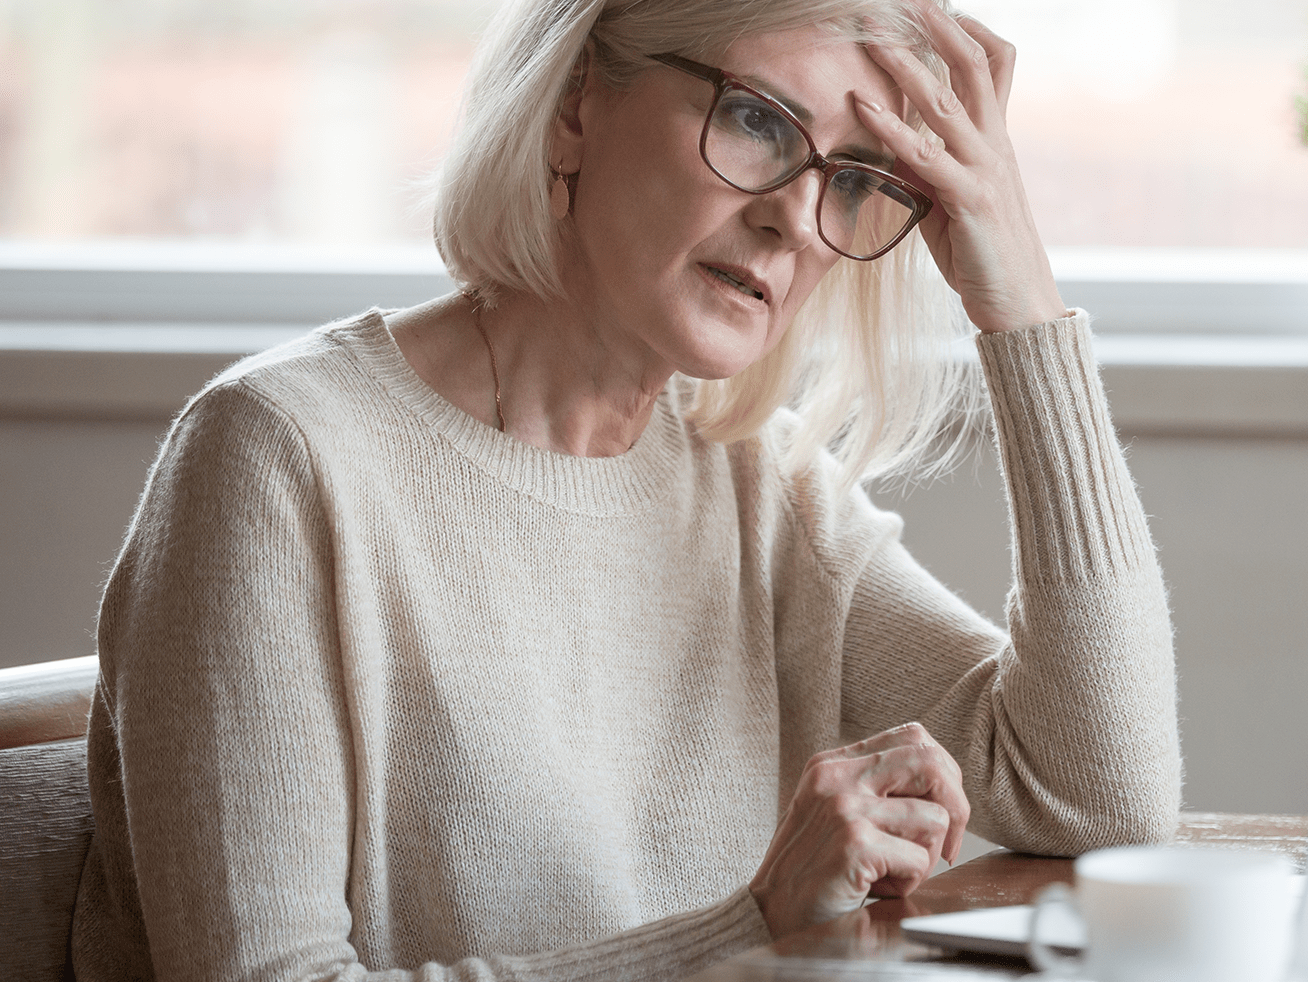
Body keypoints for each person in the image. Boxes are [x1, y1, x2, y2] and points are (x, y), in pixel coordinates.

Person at [72, 0, 1181, 979]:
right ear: (572, 105)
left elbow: (1094, 791)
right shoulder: (278, 456)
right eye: (757, 120)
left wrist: (1022, 301)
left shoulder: (765, 483)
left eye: (852, 179)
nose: (796, 218)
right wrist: (742, 931)